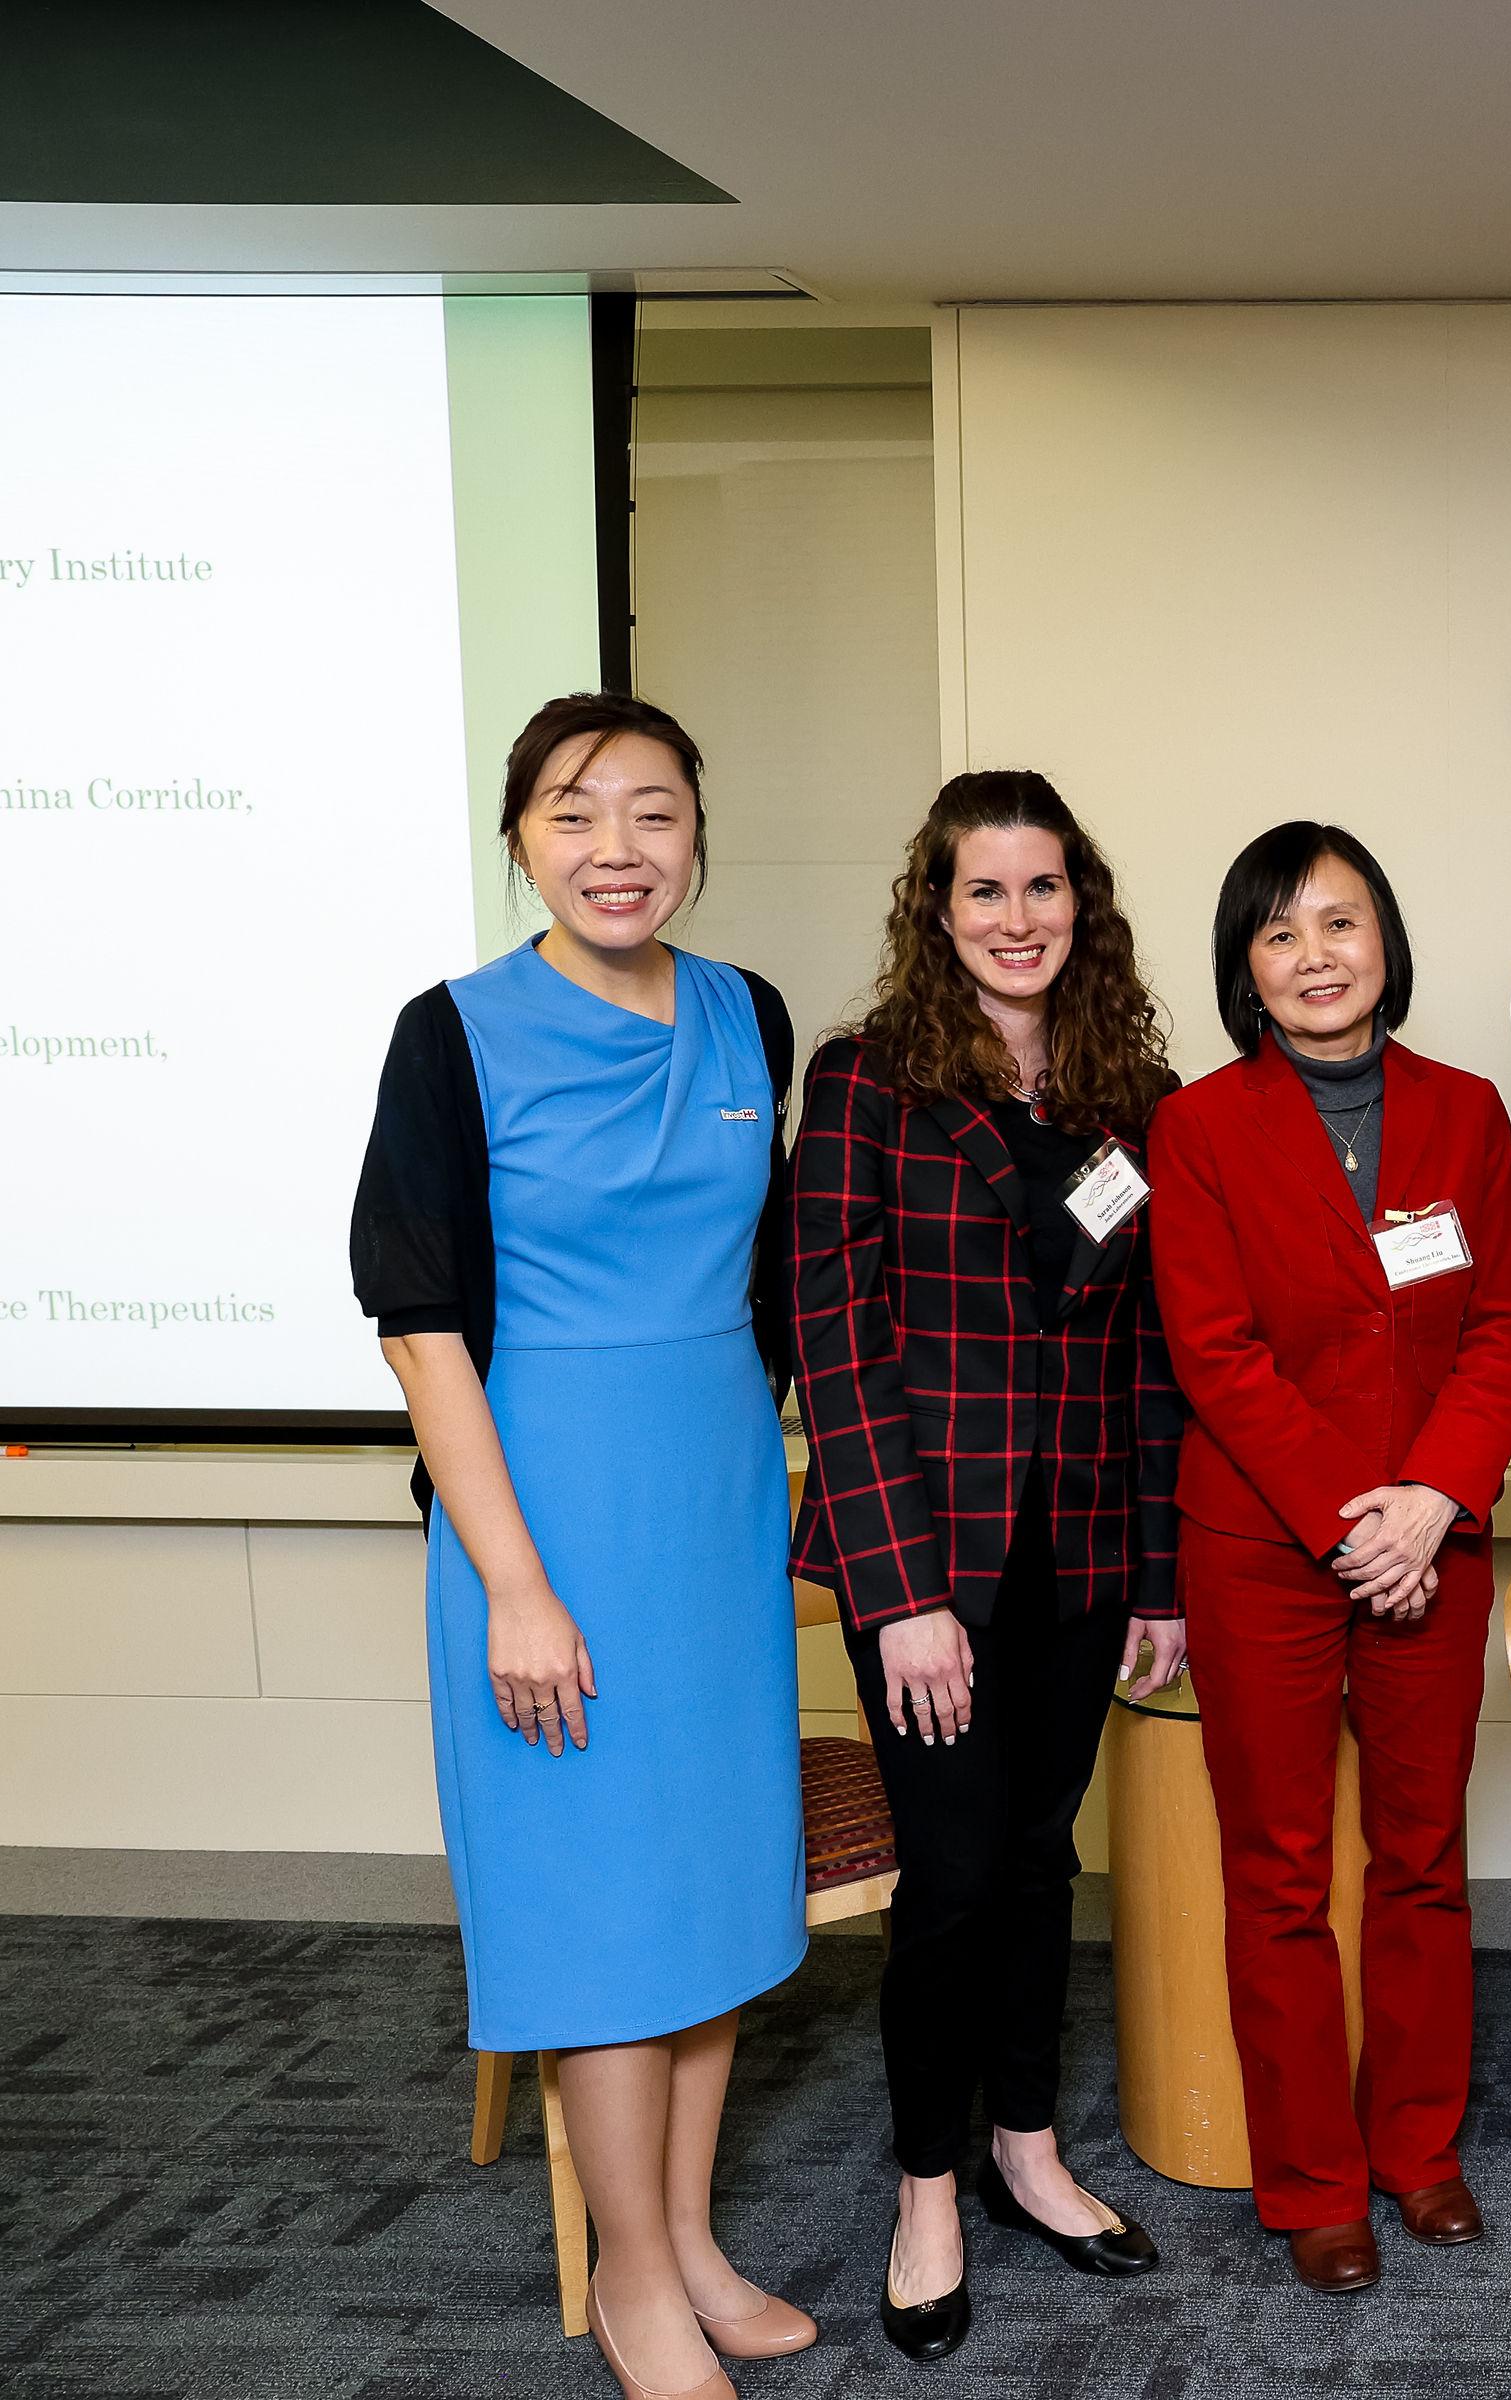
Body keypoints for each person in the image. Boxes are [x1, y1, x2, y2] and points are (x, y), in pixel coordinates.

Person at [351, 692, 814, 2400]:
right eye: (573, 812)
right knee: (605, 1911)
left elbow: (771, 1294)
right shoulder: (453, 1033)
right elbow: (420, 1332)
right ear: (519, 837)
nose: (617, 848)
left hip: (707, 1504)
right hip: (541, 1507)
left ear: (698, 833)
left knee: (707, 1895)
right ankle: (630, 2279)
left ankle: (690, 2239)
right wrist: (518, 1585)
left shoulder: (748, 1015)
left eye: (653, 813)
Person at [785, 770, 1188, 2362]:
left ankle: (1028, 2146)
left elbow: (1151, 1360)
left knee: (1036, 1860)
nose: (1016, 920)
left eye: (1042, 890)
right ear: (936, 910)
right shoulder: (868, 1081)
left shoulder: (1127, 1101)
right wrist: (899, 1596)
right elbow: (837, 1341)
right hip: (930, 1567)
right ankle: (927, 2183)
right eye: (984, 892)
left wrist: (1159, 1577)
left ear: (1078, 905)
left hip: (1083, 1555)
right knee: (951, 1881)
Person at [1150, 823, 1511, 2294]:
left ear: (1385, 943)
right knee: (1279, 1873)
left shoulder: (1464, 1109)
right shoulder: (1198, 1131)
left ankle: (1417, 2151)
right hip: (1263, 1547)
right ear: (1245, 969)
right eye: (1281, 933)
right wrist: (1351, 1516)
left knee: (1427, 1857)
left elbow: (1508, 1317)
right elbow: (1217, 1353)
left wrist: (1431, 1499)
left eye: (1341, 922)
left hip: (1430, 1543)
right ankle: (1314, 2180)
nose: (1317, 956)